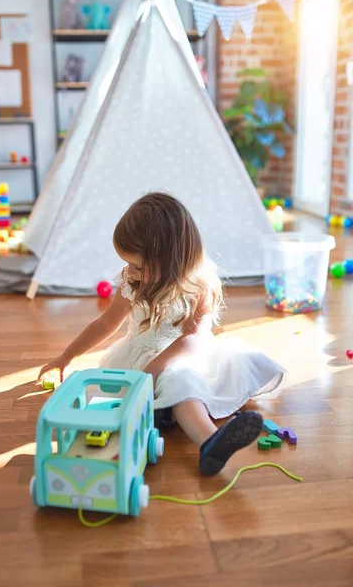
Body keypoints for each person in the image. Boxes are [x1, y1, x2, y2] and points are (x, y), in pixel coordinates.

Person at [39, 193, 284, 475]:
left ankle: (210, 442)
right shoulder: (132, 281)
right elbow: (106, 324)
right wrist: (65, 356)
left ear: (171, 260)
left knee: (181, 383)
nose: (129, 271)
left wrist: (151, 373)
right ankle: (155, 413)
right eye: (128, 264)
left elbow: (192, 339)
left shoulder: (201, 287)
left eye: (138, 266)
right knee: (104, 396)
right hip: (136, 359)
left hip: (181, 357)